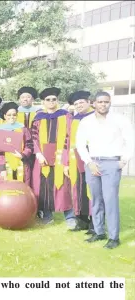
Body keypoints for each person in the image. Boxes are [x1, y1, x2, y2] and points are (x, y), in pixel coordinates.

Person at [76, 91, 134, 249]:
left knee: (110, 200)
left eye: (106, 102)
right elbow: (80, 144)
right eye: (100, 102)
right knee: (96, 199)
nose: (103, 105)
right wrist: (89, 162)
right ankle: (99, 231)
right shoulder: (86, 122)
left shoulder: (120, 120)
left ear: (110, 103)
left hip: (112, 163)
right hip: (93, 163)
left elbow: (130, 140)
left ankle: (114, 237)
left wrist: (123, 160)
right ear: (93, 103)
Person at [31, 87, 74, 226]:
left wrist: (65, 156)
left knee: (64, 186)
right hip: (42, 158)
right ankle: (47, 215)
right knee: (44, 185)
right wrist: (38, 153)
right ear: (43, 101)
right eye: (48, 100)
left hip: (62, 156)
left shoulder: (66, 116)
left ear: (57, 100)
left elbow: (70, 136)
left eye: (54, 99)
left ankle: (70, 216)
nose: (51, 102)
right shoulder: (38, 118)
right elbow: (34, 138)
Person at [65, 91, 95, 234]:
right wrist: (65, 163)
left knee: (93, 189)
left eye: (81, 102)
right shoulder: (74, 119)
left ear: (89, 102)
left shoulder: (96, 116)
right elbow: (67, 141)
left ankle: (95, 223)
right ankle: (82, 221)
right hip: (75, 158)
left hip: (93, 156)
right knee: (78, 189)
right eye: (76, 104)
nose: (78, 105)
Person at [0, 102, 33, 186]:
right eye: (9, 115)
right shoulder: (0, 130)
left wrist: (23, 155)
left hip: (21, 163)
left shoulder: (22, 128)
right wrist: (2, 168)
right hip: (5, 165)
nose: (12, 117)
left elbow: (29, 144)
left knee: (22, 190)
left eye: (14, 115)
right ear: (4, 116)